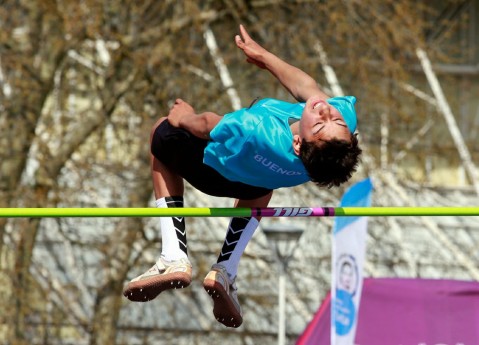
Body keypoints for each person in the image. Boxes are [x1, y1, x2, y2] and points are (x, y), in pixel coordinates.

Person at [123, 24, 362, 328]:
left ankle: (173, 256)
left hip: (208, 171)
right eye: (335, 118)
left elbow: (209, 125)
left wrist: (184, 117)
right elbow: (309, 89)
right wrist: (266, 58)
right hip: (251, 184)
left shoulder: (258, 131)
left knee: (162, 135)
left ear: (298, 143)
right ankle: (225, 269)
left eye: (320, 122)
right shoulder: (323, 155)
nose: (326, 111)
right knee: (265, 181)